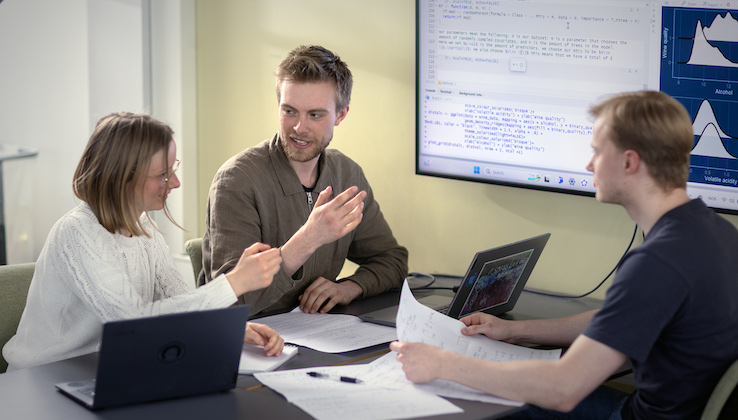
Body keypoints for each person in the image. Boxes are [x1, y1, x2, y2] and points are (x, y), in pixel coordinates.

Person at [390, 91, 738, 419]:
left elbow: (563, 389)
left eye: (598, 152)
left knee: (467, 396)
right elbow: (616, 321)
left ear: (630, 162)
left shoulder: (656, 262)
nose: (589, 165)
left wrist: (443, 364)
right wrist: (516, 331)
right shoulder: (715, 232)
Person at [3, 112, 285, 371]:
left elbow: (177, 302)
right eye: (163, 175)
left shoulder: (143, 226)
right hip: (43, 376)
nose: (174, 183)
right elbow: (134, 322)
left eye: (172, 169)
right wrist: (234, 282)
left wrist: (228, 330)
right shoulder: (78, 233)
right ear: (121, 178)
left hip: (105, 367)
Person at [199, 45, 408, 316]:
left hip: (317, 336)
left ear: (341, 114)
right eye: (289, 111)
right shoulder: (237, 181)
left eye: (315, 115)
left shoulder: (347, 174)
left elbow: (392, 260)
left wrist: (350, 287)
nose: (299, 128)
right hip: (250, 342)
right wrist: (308, 239)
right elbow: (229, 303)